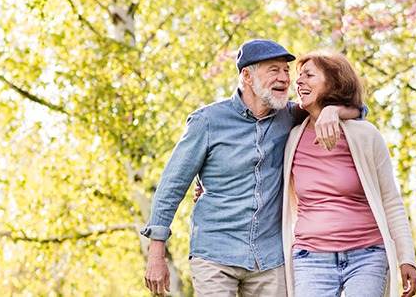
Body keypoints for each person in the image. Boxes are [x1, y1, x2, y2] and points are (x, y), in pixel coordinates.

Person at [141, 39, 367, 296]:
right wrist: (156, 254)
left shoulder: (291, 115)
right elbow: (171, 186)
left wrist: (332, 112)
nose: (285, 78)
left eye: (285, 70)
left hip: (270, 258)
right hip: (215, 253)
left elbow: (360, 109)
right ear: (247, 76)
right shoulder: (207, 121)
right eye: (274, 70)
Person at [280, 50, 416, 297]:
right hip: (310, 257)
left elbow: (391, 201)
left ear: (333, 83)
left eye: (308, 75)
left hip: (367, 256)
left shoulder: (366, 135)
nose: (298, 81)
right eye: (299, 76)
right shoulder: (291, 136)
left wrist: (406, 258)